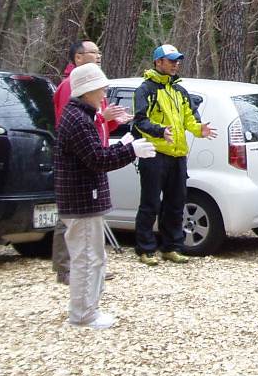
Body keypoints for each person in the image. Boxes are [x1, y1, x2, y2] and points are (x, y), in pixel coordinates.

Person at [55, 63, 155, 329]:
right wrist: (132, 150)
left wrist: (122, 145)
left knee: (93, 256)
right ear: (87, 90)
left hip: (84, 198)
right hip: (81, 200)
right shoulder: (78, 119)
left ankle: (89, 309)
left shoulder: (82, 116)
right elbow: (97, 158)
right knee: (87, 258)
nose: (105, 94)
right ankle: (83, 315)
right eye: (101, 89)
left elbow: (94, 153)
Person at [51, 39, 130, 284]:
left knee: (89, 223)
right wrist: (101, 118)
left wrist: (114, 121)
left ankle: (90, 269)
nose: (98, 56)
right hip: (81, 164)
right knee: (73, 218)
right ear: (78, 57)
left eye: (99, 52)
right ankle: (67, 268)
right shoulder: (73, 86)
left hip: (95, 157)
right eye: (93, 52)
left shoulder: (95, 85)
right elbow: (77, 124)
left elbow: (97, 122)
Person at [132, 44, 217, 266]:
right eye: (171, 60)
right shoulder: (145, 90)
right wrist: (160, 131)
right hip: (155, 154)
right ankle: (145, 248)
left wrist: (199, 129)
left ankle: (171, 247)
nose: (175, 64)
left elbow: (189, 118)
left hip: (178, 155)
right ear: (158, 62)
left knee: (175, 203)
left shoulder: (179, 90)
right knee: (150, 203)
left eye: (177, 60)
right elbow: (140, 121)